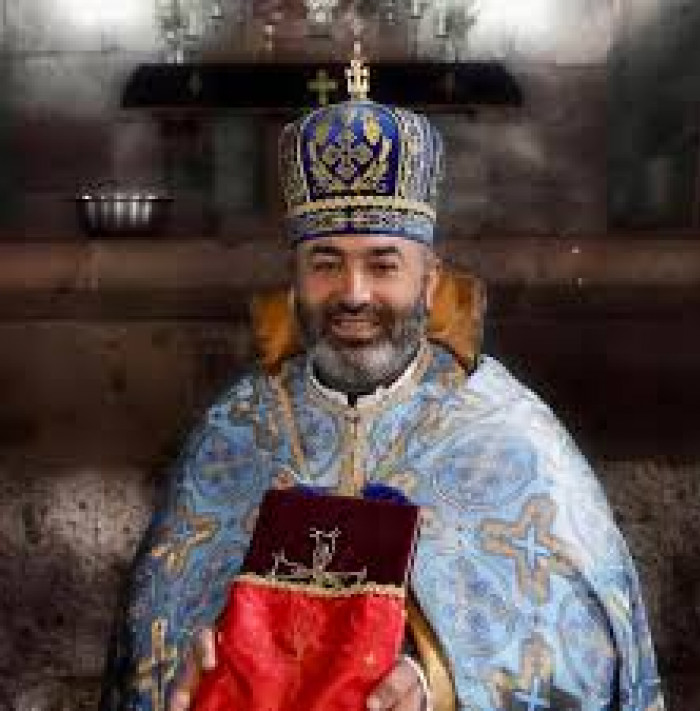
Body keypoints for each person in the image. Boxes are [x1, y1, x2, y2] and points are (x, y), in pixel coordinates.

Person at [100, 57, 665, 711]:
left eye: (383, 264)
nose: (354, 293)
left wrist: (434, 682)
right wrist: (190, 666)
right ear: (294, 281)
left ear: (429, 281)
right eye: (326, 263)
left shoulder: (510, 434)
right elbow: (155, 624)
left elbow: (586, 644)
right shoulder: (234, 429)